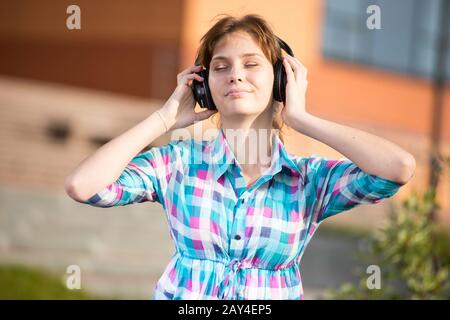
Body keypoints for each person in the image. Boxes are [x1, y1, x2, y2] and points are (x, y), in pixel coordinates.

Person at [64, 14, 416, 300]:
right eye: (220, 67)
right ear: (202, 86)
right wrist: (164, 119)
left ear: (281, 79)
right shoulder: (178, 163)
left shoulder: (309, 179)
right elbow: (83, 186)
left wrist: (302, 119)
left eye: (251, 64)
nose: (235, 75)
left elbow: (397, 168)